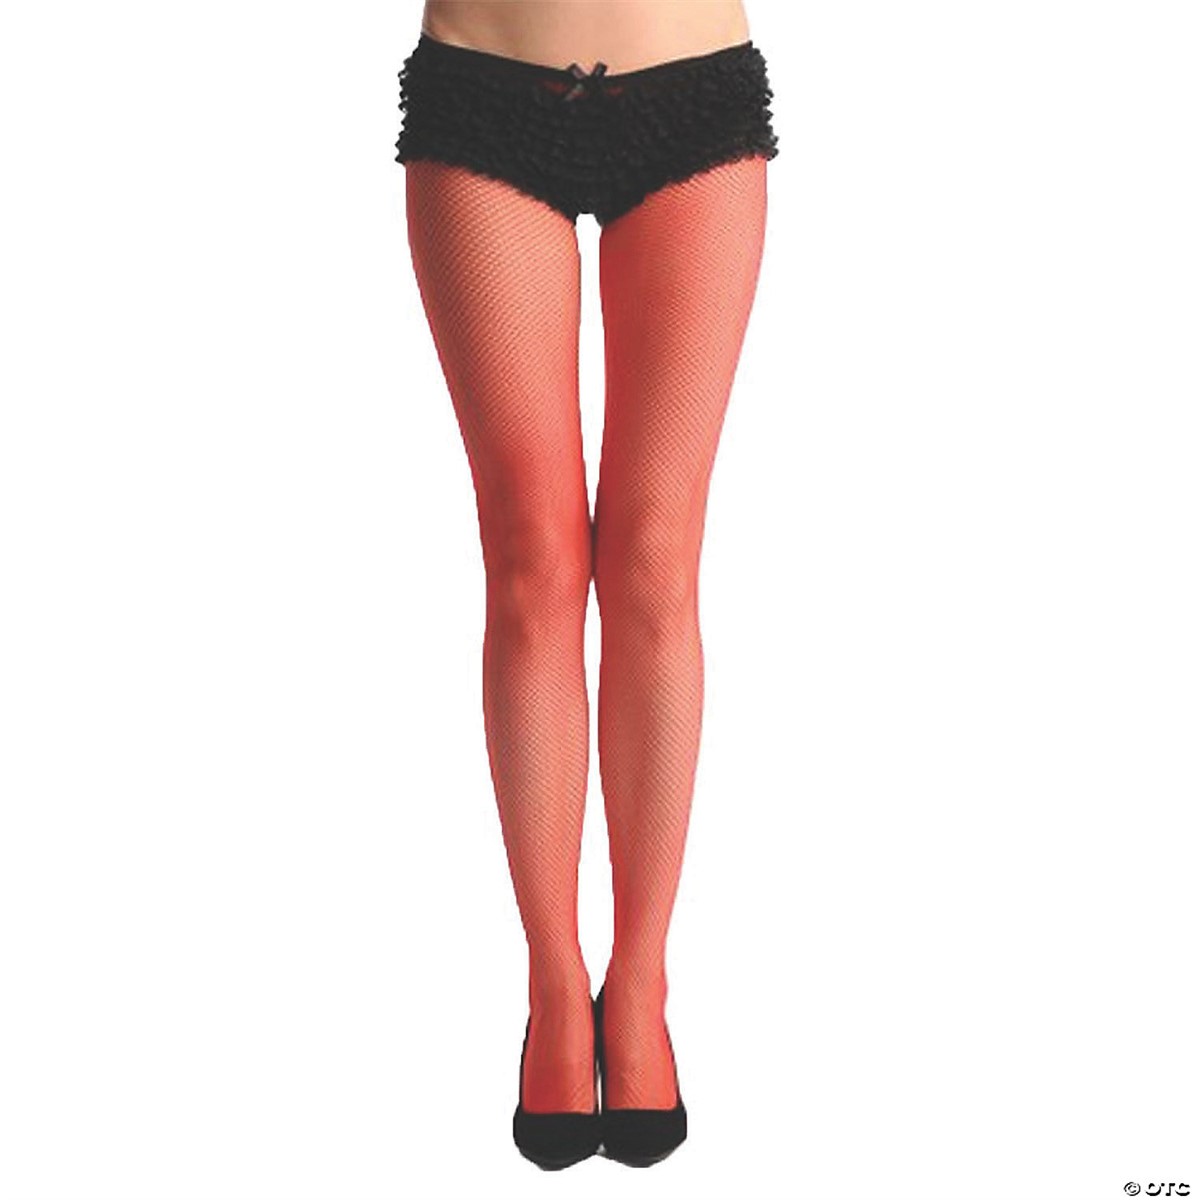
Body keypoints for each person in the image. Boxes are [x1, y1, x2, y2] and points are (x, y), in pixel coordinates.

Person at [394, 0, 779, 1170]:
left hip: (692, 85)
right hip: (483, 85)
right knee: (533, 558)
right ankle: (556, 983)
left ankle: (643, 978)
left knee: (656, 559)